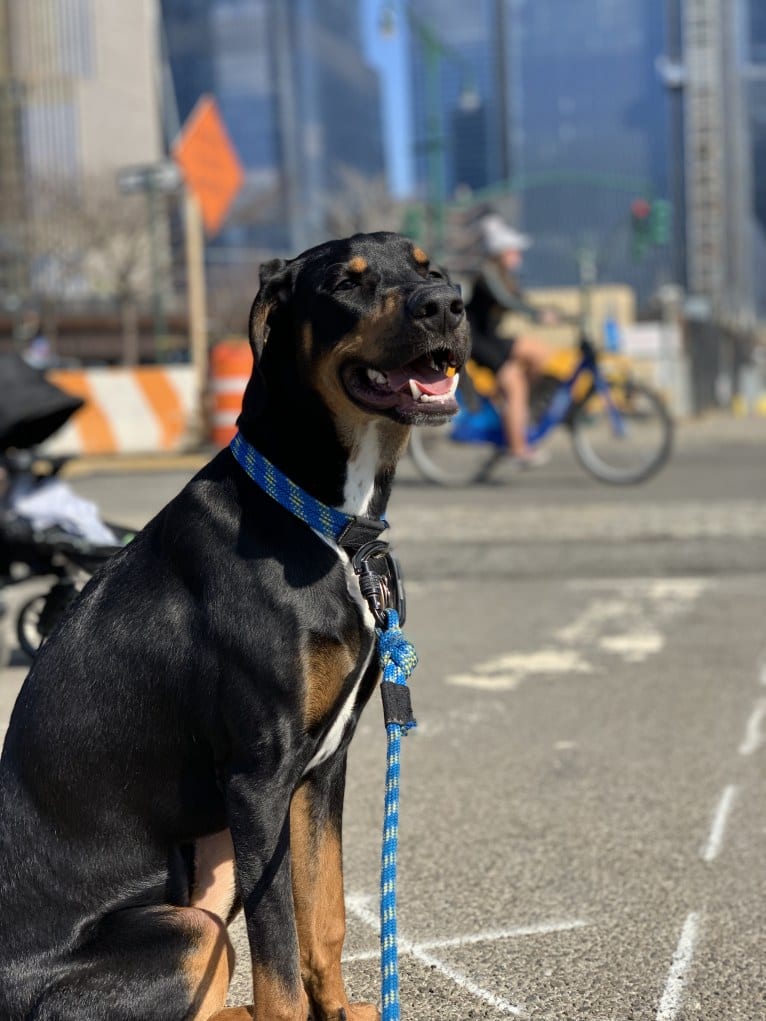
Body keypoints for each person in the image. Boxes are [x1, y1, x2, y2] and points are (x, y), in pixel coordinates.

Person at [466, 214, 557, 468]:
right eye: (513, 250)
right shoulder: (488, 275)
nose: (518, 255)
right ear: (501, 252)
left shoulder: (505, 276)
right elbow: (508, 301)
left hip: (492, 337)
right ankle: (519, 450)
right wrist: (536, 314)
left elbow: (521, 299)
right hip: (476, 340)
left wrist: (551, 313)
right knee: (515, 385)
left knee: (541, 353)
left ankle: (513, 408)